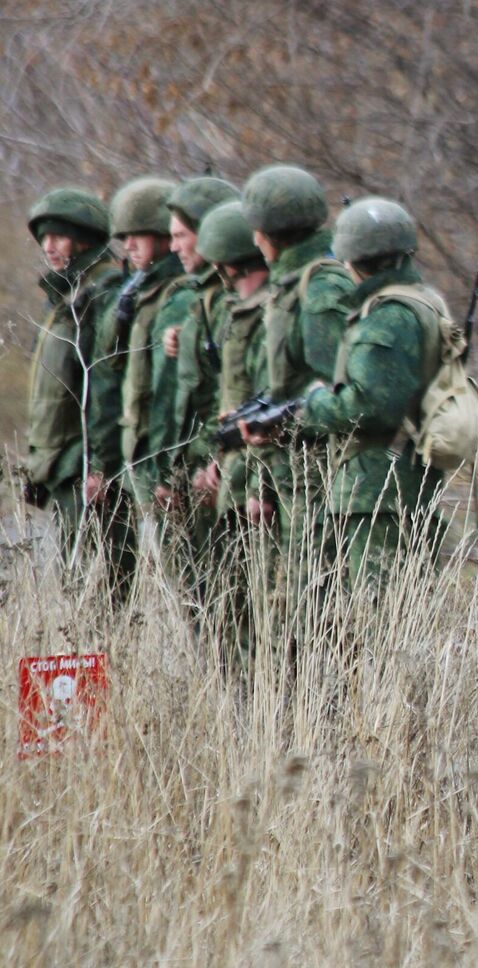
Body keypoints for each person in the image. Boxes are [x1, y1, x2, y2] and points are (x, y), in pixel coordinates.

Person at [296, 198, 450, 588]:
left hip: (378, 494)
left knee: (376, 615)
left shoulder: (386, 319)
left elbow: (369, 406)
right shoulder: (423, 301)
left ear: (353, 260)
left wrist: (314, 403)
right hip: (397, 487)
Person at [239, 164, 353, 565]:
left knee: (318, 613)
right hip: (296, 479)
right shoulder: (291, 286)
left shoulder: (319, 291)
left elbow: (341, 398)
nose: (254, 240)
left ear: (270, 235)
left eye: (257, 230)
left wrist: (280, 424)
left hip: (322, 482)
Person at [89, 177, 183, 602]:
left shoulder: (178, 293)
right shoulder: (132, 293)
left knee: (192, 583)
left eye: (137, 234)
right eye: (123, 236)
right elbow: (108, 379)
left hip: (165, 459)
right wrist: (102, 463)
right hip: (136, 456)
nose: (128, 244)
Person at [23, 188, 122, 569]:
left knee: (100, 584)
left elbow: (105, 384)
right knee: (78, 579)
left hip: (86, 466)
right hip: (65, 465)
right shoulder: (66, 295)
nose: (48, 246)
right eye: (44, 237)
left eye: (58, 236)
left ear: (83, 240)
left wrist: (99, 466)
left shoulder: (103, 293)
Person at [154, 175, 241, 606]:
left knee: (226, 606)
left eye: (181, 235)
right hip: (194, 472)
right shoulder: (201, 300)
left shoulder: (228, 303)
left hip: (215, 475)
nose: (173, 247)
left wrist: (212, 461)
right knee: (201, 606)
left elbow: (229, 393)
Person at [196, 200, 276, 662]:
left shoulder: (267, 318)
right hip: (233, 480)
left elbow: (272, 412)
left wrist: (257, 485)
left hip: (256, 490)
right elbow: (232, 406)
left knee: (265, 621)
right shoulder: (240, 315)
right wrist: (214, 459)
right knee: (235, 620)